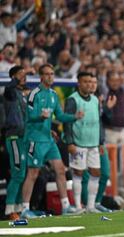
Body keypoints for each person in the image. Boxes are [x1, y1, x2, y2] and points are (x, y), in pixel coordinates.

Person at [21, 64, 84, 218]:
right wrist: (40, 117)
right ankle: (24, 209)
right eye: (47, 74)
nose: (50, 77)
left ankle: (65, 206)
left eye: (52, 74)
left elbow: (60, 116)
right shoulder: (33, 94)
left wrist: (74, 117)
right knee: (33, 173)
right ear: (41, 77)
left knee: (60, 170)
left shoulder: (53, 95)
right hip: (35, 139)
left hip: (48, 140)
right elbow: (28, 117)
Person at [64, 72, 102, 213]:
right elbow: (67, 122)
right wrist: (69, 142)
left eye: (90, 81)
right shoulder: (72, 100)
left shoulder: (95, 100)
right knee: (78, 173)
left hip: (93, 143)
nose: (88, 84)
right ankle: (79, 206)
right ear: (79, 83)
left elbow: (99, 122)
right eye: (85, 81)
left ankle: (91, 206)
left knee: (96, 172)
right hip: (78, 142)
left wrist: (101, 141)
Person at [81, 75, 116, 212]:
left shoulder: (97, 100)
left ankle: (96, 202)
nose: (92, 85)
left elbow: (107, 120)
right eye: (89, 82)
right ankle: (84, 205)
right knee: (84, 175)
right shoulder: (77, 99)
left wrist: (107, 108)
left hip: (98, 142)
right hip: (82, 142)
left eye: (95, 82)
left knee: (105, 173)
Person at [3, 65, 28, 220]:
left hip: (23, 137)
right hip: (13, 137)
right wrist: (16, 78)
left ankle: (19, 209)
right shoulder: (9, 93)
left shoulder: (21, 95)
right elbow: (9, 86)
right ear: (13, 77)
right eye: (20, 74)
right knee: (18, 173)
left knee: (22, 174)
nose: (24, 76)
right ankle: (10, 209)